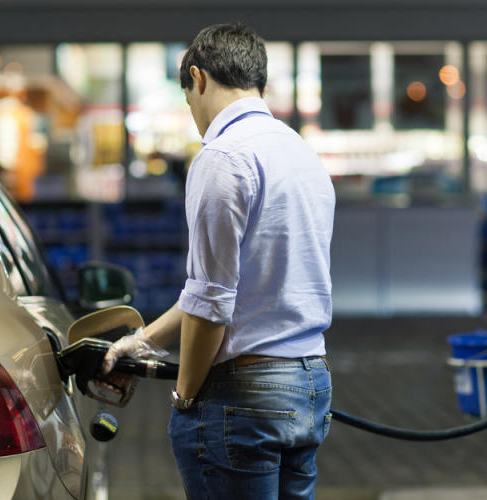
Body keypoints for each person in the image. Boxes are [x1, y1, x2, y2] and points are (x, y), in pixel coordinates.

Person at [101, 22, 336, 499]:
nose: (193, 113)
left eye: (188, 99)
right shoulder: (301, 153)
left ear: (198, 78)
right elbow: (227, 290)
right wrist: (142, 340)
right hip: (310, 384)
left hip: (242, 396)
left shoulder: (223, 156)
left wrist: (186, 396)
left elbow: (212, 302)